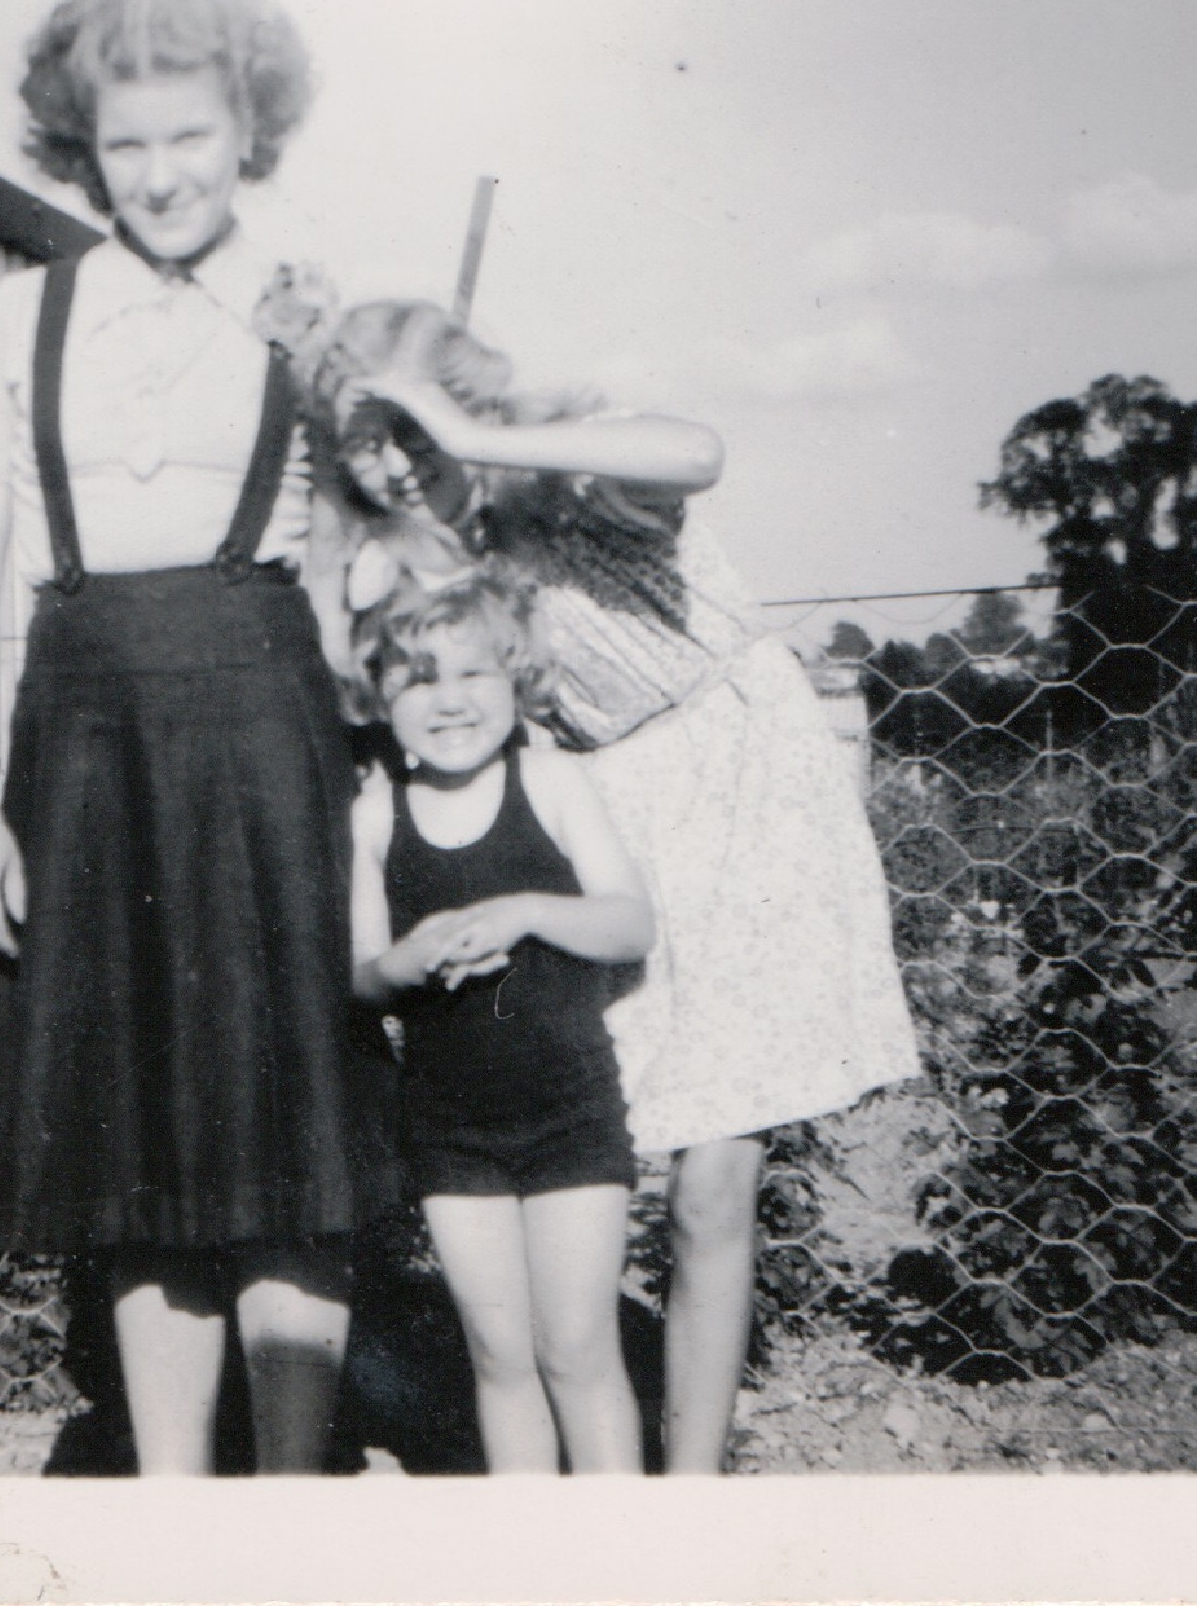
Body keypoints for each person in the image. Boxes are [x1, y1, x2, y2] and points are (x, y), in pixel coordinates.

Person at [307, 300, 923, 1473]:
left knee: (712, 1184)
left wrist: (479, 435)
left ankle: (683, 1493)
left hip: (747, 791)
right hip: (613, 823)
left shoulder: (573, 483)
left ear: (465, 401)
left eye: (409, 423)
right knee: (606, 1148)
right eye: (369, 440)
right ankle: (587, 1457)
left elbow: (698, 450)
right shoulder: (438, 568)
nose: (395, 454)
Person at [0, 0, 393, 1475]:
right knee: (136, 1143)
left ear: (249, 127)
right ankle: (178, 1505)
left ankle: (293, 1490)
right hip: (79, 745)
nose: (163, 174)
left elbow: (381, 550)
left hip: (268, 732)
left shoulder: (312, 305)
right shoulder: (16, 316)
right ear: (80, 149)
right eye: (126, 147)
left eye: (191, 136)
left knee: (283, 1124)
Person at [348, 571, 653, 1474]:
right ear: (380, 697)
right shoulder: (375, 814)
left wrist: (525, 910)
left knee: (575, 1348)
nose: (448, 702)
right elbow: (364, 977)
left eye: (474, 676)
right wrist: (412, 957)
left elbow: (629, 923)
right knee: (500, 1356)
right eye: (418, 679)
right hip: (452, 1131)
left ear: (515, 680)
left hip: (571, 1117)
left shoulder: (550, 780)